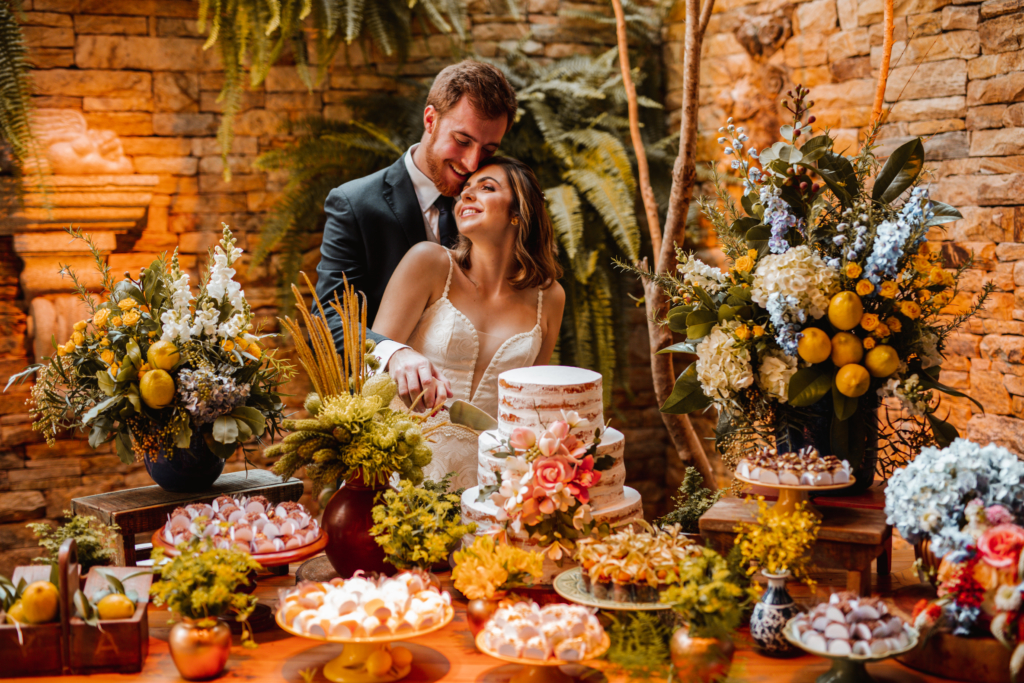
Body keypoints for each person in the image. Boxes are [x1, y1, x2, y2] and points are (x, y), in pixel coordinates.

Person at [315, 60, 519, 410]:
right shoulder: (355, 203)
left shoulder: (487, 208)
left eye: (488, 150)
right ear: (430, 120)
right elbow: (328, 318)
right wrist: (393, 353)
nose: (472, 163)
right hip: (379, 421)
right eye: (462, 140)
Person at [372, 156, 565, 488]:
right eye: (464, 191)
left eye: (486, 188)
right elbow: (367, 365)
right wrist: (398, 355)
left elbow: (527, 410)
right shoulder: (429, 262)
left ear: (518, 213)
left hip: (489, 486)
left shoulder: (550, 297)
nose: (466, 196)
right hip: (400, 472)